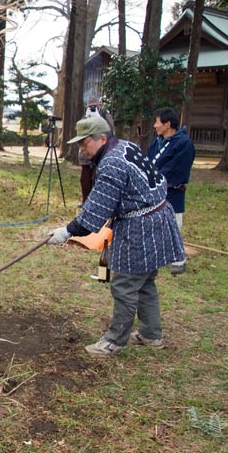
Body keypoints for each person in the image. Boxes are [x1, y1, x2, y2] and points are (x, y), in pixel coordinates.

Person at [47, 116, 185, 358]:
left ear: (102, 138)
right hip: (158, 217)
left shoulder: (111, 163)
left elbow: (96, 211)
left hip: (141, 228)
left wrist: (67, 231)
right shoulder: (126, 146)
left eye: (84, 143)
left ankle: (114, 341)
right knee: (144, 282)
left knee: (125, 285)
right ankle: (151, 334)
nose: (81, 149)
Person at [147, 107, 196, 275]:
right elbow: (148, 162)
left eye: (158, 122)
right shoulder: (156, 141)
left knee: (173, 224)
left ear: (167, 124)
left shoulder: (184, 144)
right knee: (153, 224)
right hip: (154, 190)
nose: (155, 125)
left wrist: (156, 176)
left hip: (172, 190)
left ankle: (179, 260)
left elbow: (177, 169)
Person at [79, 96, 115, 204]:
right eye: (91, 107)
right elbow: (80, 132)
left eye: (95, 106)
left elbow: (110, 131)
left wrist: (99, 118)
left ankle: (97, 201)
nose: (93, 108)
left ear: (100, 106)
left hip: (101, 150)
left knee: (97, 177)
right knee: (85, 179)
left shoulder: (106, 116)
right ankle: (85, 201)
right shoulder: (85, 117)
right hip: (87, 152)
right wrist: (87, 118)